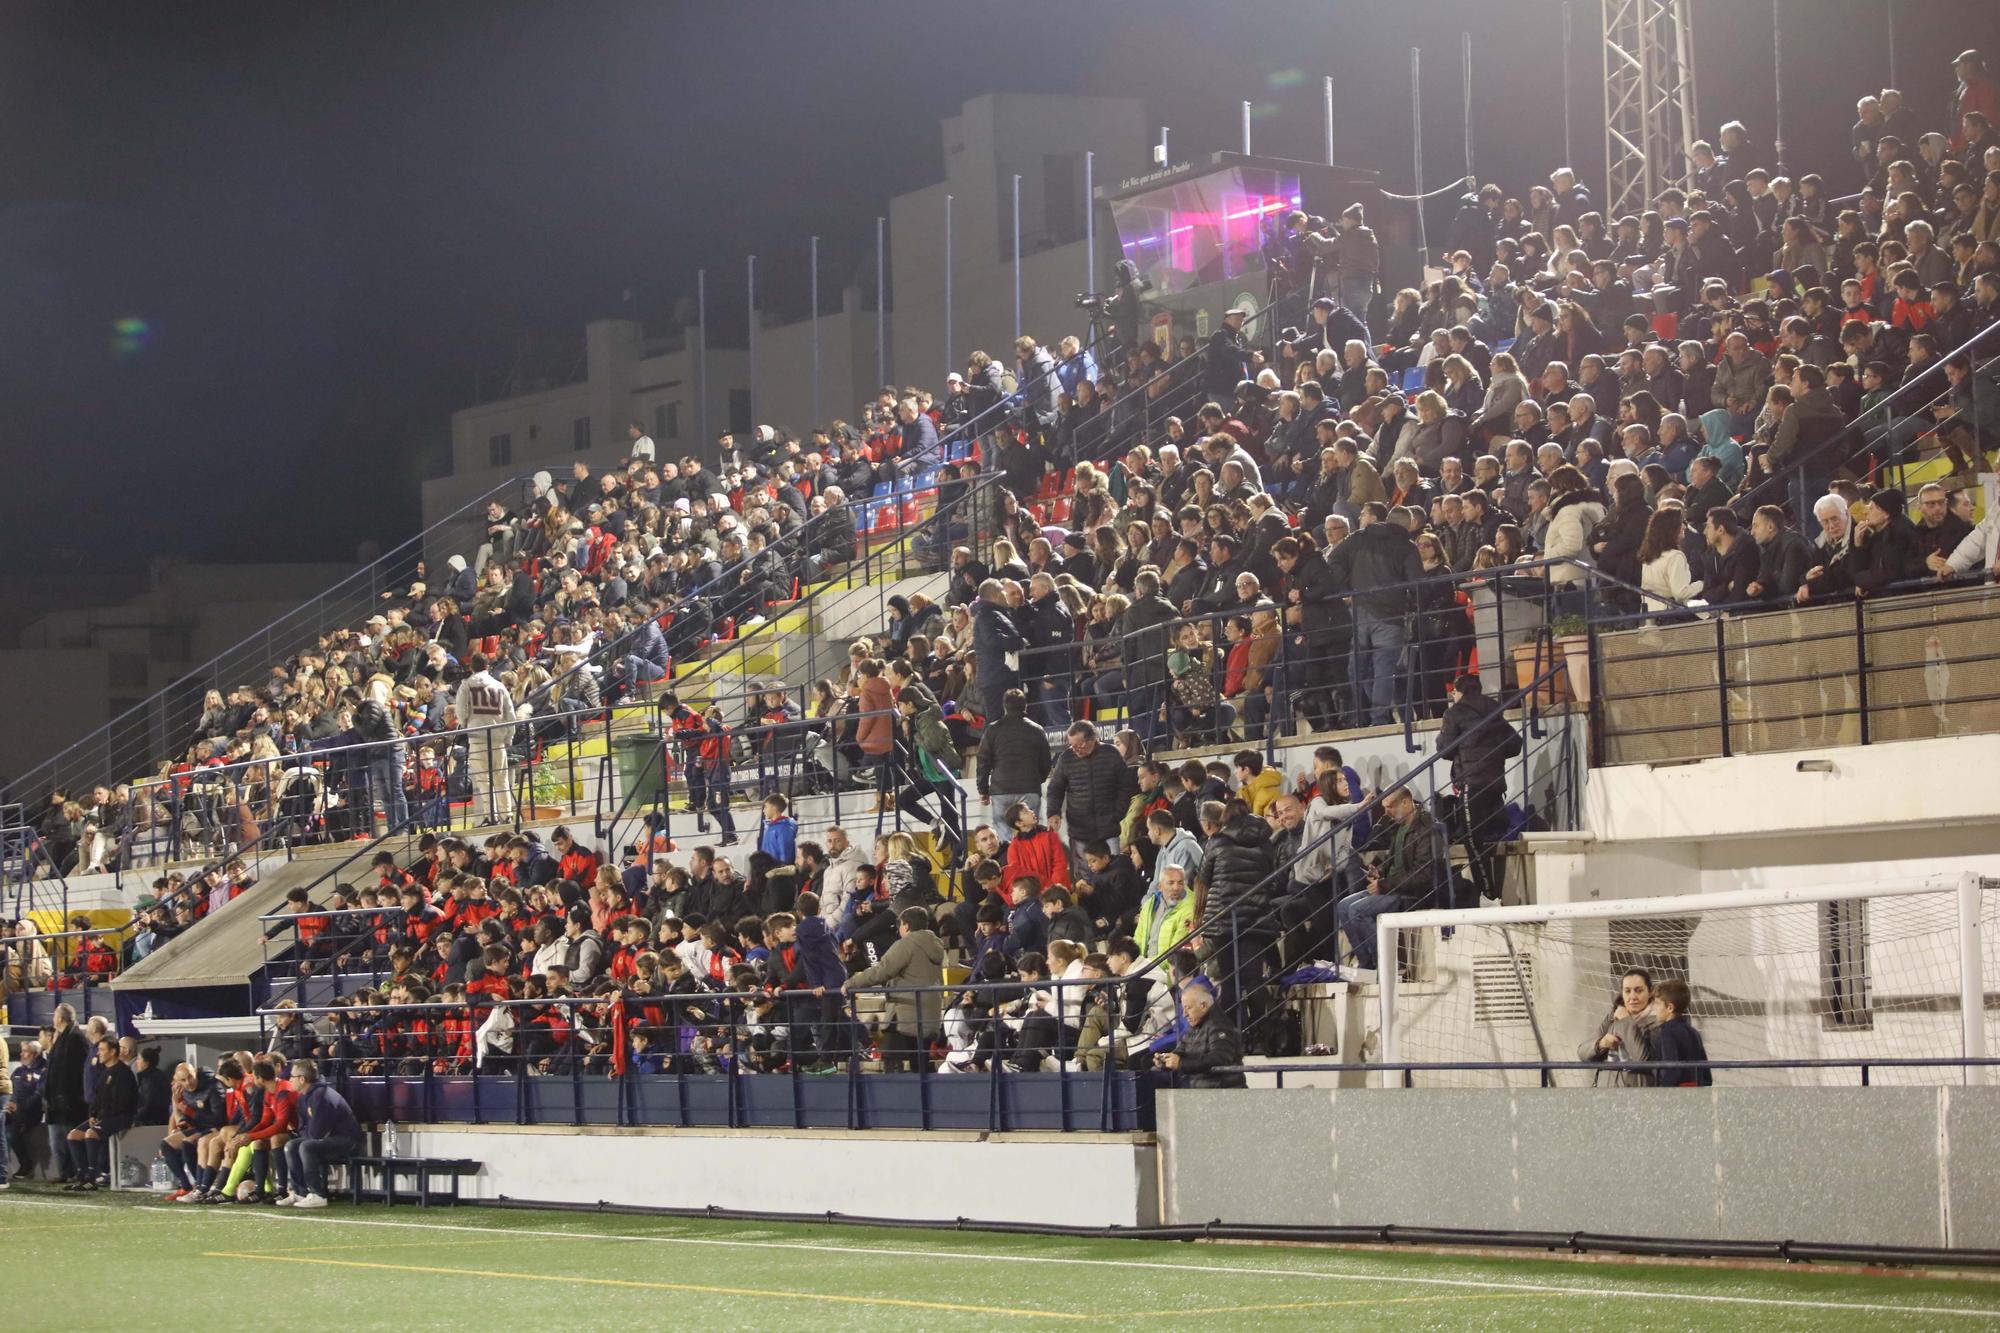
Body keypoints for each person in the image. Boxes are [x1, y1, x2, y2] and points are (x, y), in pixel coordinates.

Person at [1435, 675, 1521, 901]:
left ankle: (1487, 894)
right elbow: (1514, 744)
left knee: (1472, 838)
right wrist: (1492, 752)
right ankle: (1496, 892)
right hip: (1495, 781)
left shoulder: (1454, 713)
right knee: (1491, 833)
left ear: (1459, 692)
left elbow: (1443, 748)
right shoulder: (1493, 710)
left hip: (1471, 784)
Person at [1335, 787, 1439, 973]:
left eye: (1390, 806)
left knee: (1357, 910)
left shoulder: (1426, 828)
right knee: (1342, 906)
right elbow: (1394, 861)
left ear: (1406, 803)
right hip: (1392, 886)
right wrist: (1379, 871)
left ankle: (1388, 964)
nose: (1386, 812)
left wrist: (1384, 885)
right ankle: (1366, 963)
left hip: (1410, 892)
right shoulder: (1398, 827)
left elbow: (1423, 874)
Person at [843, 907, 946, 1073]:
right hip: (929, 1014)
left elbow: (881, 971)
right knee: (920, 1066)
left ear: (905, 925)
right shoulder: (936, 945)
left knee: (892, 1062)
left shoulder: (907, 944)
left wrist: (850, 983)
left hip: (905, 1015)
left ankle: (897, 1097)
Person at [1045, 722, 1137, 860]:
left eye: (1079, 745)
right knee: (1084, 876)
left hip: (1109, 828)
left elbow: (1125, 786)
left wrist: (1118, 814)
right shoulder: (1066, 758)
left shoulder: (1111, 754)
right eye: (1072, 745)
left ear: (1093, 739)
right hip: (1079, 831)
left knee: (1115, 869)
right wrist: (1053, 813)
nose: (1075, 749)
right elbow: (1055, 788)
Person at [279, 1058, 359, 1208]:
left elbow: (317, 1131)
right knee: (291, 1145)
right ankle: (300, 1192)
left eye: (292, 1076)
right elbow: (302, 1127)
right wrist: (307, 1135)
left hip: (346, 1140)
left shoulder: (320, 1096)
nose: (289, 1079)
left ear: (302, 1079)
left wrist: (308, 1135)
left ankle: (318, 1194)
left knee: (306, 1146)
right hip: (326, 1139)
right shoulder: (303, 1097)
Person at [976, 688, 1053, 820]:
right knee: (1031, 834)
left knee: (1004, 835)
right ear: (1025, 706)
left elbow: (983, 761)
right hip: (1030, 788)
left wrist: (983, 790)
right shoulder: (1037, 730)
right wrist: (1036, 780)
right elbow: (1046, 762)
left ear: (1004, 706)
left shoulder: (993, 730)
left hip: (1001, 790)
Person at [1156, 979, 1246, 1088]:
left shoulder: (1219, 1024)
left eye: (1188, 1008)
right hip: (1204, 1094)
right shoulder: (1194, 1024)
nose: (1184, 1014)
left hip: (1224, 1094)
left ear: (1203, 1006)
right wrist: (1166, 1060)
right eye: (1183, 1009)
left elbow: (1219, 1058)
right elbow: (1181, 1051)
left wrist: (1181, 1064)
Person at [1579, 968, 1659, 1087]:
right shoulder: (1613, 1017)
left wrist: (1626, 1021)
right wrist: (1601, 1044)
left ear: (1650, 991)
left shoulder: (1658, 1021)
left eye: (1639, 990)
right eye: (1627, 991)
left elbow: (1643, 1060)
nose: (1633, 997)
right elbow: (1582, 1052)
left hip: (1638, 1098)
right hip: (1607, 1096)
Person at [1649, 979, 1712, 1088]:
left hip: (1677, 1097)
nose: (1654, 1008)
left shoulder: (1667, 1031)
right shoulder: (1694, 1032)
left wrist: (1661, 1093)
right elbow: (1706, 1075)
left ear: (1670, 1007)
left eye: (1657, 1004)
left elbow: (1671, 1070)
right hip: (1696, 1095)